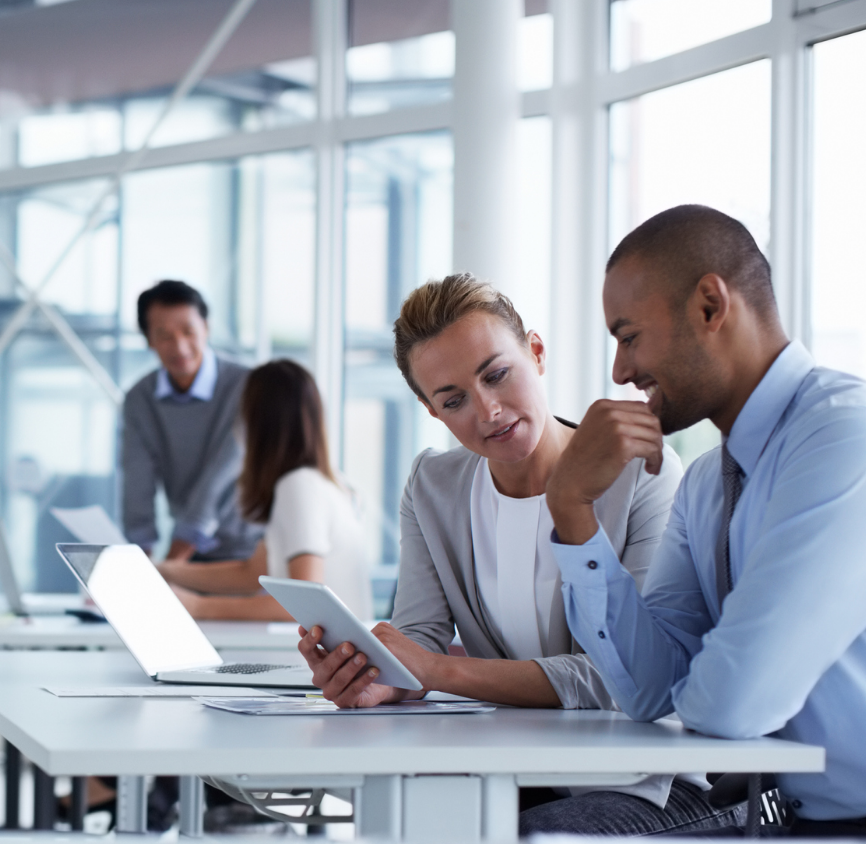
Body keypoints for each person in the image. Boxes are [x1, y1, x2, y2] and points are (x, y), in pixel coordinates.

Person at [296, 274, 741, 836]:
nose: (487, 411)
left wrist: (439, 671)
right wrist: (377, 675)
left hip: (647, 781)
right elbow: (418, 642)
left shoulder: (641, 476)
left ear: (535, 353)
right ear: (432, 412)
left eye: (497, 375)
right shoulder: (434, 485)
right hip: (516, 771)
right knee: (398, 827)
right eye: (453, 399)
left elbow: (624, 678)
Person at [543, 204, 866, 836]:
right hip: (802, 826)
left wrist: (699, 683)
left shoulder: (849, 442)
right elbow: (650, 690)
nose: (619, 371)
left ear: (709, 306)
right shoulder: (706, 484)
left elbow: (730, 705)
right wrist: (570, 509)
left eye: (628, 335)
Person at [159, 359, 372, 621]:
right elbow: (251, 573)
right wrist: (163, 571)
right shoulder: (328, 483)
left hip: (321, 657)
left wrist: (196, 606)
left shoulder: (299, 487)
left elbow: (304, 604)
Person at [122, 280, 262, 562]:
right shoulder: (139, 398)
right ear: (148, 340)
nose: (180, 347)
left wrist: (172, 562)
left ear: (206, 328)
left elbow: (222, 475)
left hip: (251, 550)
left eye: (189, 331)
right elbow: (137, 480)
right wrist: (140, 561)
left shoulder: (248, 386)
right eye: (164, 335)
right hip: (191, 553)